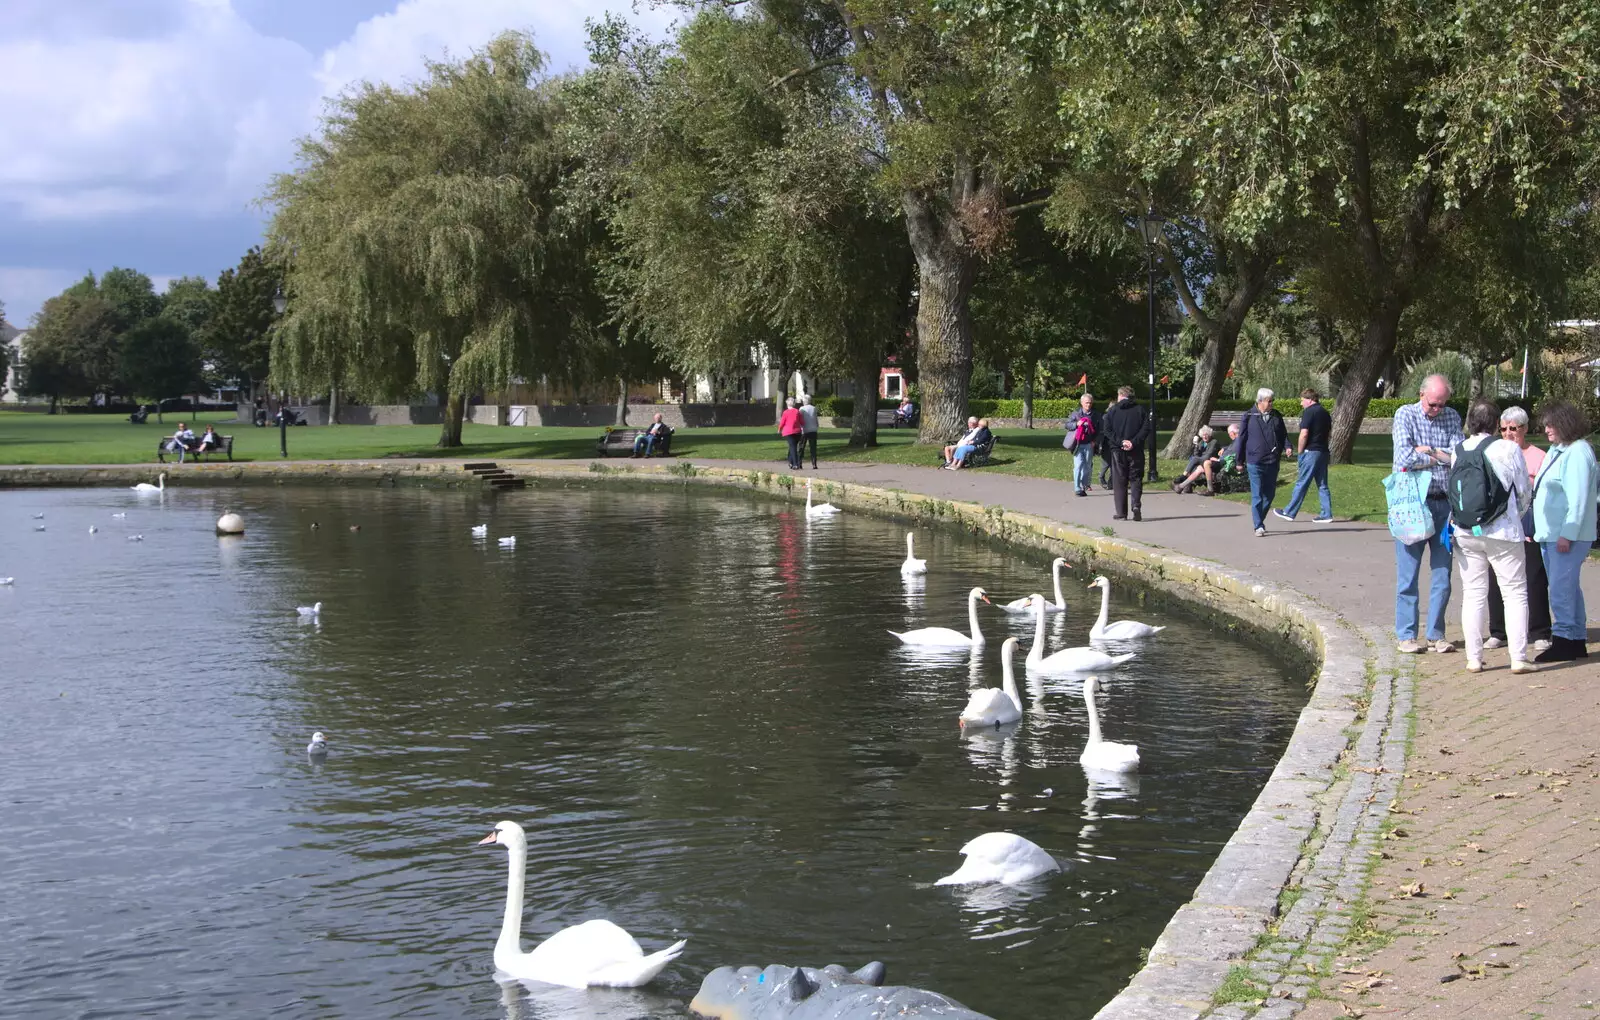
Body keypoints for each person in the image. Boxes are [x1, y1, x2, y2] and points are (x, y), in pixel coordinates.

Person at [1449, 400, 1535, 673]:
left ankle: (1474, 658)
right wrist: (1517, 516)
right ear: (1496, 423)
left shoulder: (1457, 450)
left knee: (1473, 594)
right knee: (1515, 593)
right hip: (1503, 531)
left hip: (1465, 531)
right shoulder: (1508, 448)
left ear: (1470, 421)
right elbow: (1523, 491)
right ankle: (1518, 657)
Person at [1391, 373, 1464, 654]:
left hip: (1444, 503)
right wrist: (1439, 458)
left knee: (1443, 572)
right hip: (1412, 503)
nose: (1437, 409)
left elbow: (1458, 457)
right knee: (1408, 573)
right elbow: (1404, 458)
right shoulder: (1405, 415)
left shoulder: (1452, 417)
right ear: (1422, 395)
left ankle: (1436, 634)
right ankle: (1407, 635)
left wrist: (1429, 451)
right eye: (1433, 404)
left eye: (1442, 404)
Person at [1531, 399, 1598, 662]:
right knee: (1567, 589)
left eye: (1551, 424)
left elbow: (1578, 499)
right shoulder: (1560, 450)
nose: (1546, 429)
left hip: (1566, 536)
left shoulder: (1578, 453)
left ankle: (1565, 638)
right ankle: (1574, 638)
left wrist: (1567, 534)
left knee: (1560, 589)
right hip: (1552, 534)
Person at [1485, 406, 1551, 652]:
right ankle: (1498, 631)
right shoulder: (1492, 452)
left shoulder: (1538, 456)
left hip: (1528, 518)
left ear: (1524, 429)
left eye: (1514, 429)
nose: (1508, 434)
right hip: (1499, 521)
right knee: (1496, 577)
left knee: (1534, 577)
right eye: (1503, 429)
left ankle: (1540, 631)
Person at [1273, 388, 1334, 523]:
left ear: (1310, 399)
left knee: (1302, 482)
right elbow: (1329, 433)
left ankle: (1289, 512)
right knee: (1322, 484)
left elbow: (1304, 433)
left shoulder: (1309, 412)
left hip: (1311, 451)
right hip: (1323, 451)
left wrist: (1300, 451)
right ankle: (1327, 513)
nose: (1301, 403)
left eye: (1302, 400)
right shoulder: (1325, 412)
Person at [1236, 388, 1289, 536]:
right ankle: (1258, 525)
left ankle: (1259, 518)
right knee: (1257, 494)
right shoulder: (1249, 415)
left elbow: (1283, 434)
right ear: (1260, 401)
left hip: (1272, 460)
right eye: (1269, 401)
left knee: (1269, 494)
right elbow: (1241, 438)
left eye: (1272, 401)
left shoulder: (1276, 415)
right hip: (1255, 460)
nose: (1271, 404)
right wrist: (1239, 460)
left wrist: (1288, 446)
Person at [1103, 385, 1152, 521]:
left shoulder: (1112, 411)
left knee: (1119, 480)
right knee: (1136, 478)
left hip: (1118, 451)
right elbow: (1146, 428)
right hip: (1135, 450)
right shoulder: (1140, 410)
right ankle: (1136, 505)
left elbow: (1107, 430)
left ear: (1120, 395)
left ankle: (1121, 512)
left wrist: (1121, 442)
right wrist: (1133, 442)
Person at [1171, 423, 1235, 494]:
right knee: (1194, 464)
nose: (1204, 436)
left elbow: (1208, 455)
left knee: (1195, 460)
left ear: (1209, 435)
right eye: (1203, 435)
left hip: (1211, 460)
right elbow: (1196, 454)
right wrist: (1196, 445)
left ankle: (1183, 478)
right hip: (1203, 460)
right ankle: (1184, 486)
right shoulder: (1201, 442)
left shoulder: (1214, 442)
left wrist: (1198, 459)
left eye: (1206, 435)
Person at [1064, 392, 1102, 497]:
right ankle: (1077, 488)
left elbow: (1100, 430)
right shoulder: (1076, 414)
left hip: (1089, 445)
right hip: (1077, 444)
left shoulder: (1096, 415)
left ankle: (1084, 484)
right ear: (1081, 403)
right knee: (1078, 465)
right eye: (1086, 403)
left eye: (1090, 403)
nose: (1088, 405)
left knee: (1087, 467)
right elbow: (1067, 425)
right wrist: (1076, 424)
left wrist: (1095, 441)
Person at [778, 398, 804, 469]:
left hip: (788, 432)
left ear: (787, 404)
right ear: (794, 403)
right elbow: (802, 422)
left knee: (793, 447)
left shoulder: (785, 412)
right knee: (793, 446)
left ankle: (795, 464)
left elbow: (782, 422)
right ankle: (790, 462)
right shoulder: (797, 411)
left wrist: (779, 429)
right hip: (797, 432)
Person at [798, 395, 820, 469]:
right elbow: (816, 419)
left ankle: (799, 463)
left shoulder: (802, 408)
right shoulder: (814, 408)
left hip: (804, 430)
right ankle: (814, 464)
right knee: (813, 448)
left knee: (801, 447)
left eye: (803, 400)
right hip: (813, 430)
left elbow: (799, 419)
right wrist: (816, 427)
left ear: (804, 401)